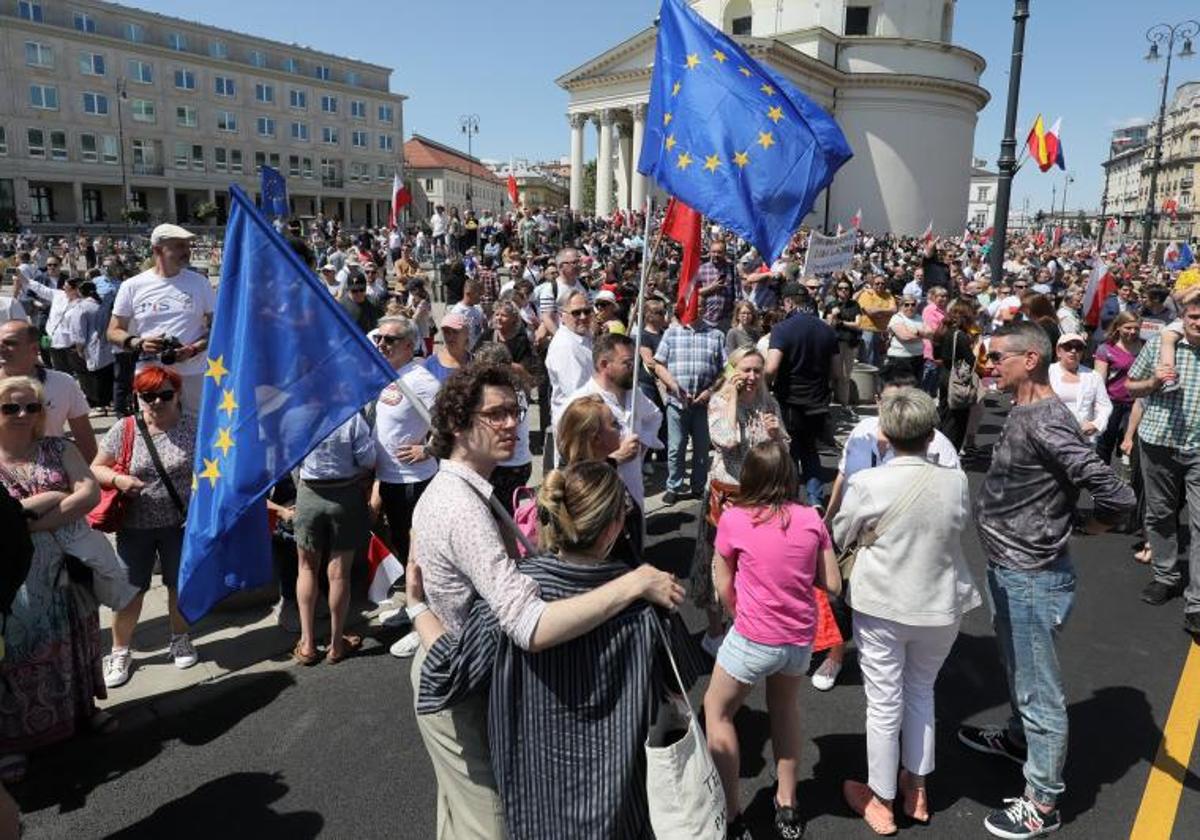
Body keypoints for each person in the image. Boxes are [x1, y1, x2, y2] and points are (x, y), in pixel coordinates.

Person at [406, 363, 684, 839]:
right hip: (455, 678)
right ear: (457, 425)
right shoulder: (460, 505)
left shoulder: (472, 489)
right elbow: (530, 627)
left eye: (514, 410)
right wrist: (634, 583)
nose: (512, 423)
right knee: (489, 823)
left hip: (463, 666)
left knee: (462, 816)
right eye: (495, 414)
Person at [960, 322, 1135, 838]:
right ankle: (1018, 739)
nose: (990, 365)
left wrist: (1090, 523)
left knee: (1039, 690)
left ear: (1030, 359)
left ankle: (1043, 800)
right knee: (1018, 670)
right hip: (1010, 567)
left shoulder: (1046, 421)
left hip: (1032, 576)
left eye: (998, 357)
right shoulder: (1023, 407)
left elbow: (1117, 494)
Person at [833, 387, 981, 835]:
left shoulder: (867, 483)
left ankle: (881, 799)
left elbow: (841, 535)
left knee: (883, 702)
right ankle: (915, 787)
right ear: (930, 432)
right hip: (940, 604)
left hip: (883, 603)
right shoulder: (955, 481)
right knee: (921, 692)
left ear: (884, 435)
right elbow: (960, 525)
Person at [704, 440, 840, 840]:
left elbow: (722, 583)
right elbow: (831, 584)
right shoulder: (811, 520)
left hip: (752, 636)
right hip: (798, 640)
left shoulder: (734, 520)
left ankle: (732, 815)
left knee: (717, 709)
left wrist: (735, 612)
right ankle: (787, 803)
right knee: (784, 710)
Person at [0, 375, 107, 783]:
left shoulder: (58, 447)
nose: (23, 414)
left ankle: (82, 712)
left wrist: (29, 522)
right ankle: (14, 741)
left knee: (75, 638)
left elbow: (89, 493)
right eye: (11, 407)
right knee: (18, 654)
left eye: (33, 407)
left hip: (67, 563)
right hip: (13, 574)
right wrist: (42, 508)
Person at [91, 366, 199, 688]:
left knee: (178, 585)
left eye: (165, 394)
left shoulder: (194, 428)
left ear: (177, 395)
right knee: (130, 590)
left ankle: (180, 638)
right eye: (147, 395)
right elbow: (96, 468)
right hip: (134, 527)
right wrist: (119, 479)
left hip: (180, 525)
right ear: (137, 397)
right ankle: (120, 650)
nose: (156, 402)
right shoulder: (124, 429)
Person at [692, 346, 789, 655]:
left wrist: (775, 436)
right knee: (717, 564)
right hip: (727, 496)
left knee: (751, 565)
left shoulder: (768, 402)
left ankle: (741, 623)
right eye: (745, 370)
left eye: (757, 371)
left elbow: (785, 450)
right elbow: (727, 440)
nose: (751, 377)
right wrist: (733, 398)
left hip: (758, 496)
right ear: (731, 371)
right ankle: (715, 630)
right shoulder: (719, 401)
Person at [1125, 293, 1199, 632]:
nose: (1198, 323)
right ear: (1183, 318)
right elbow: (1130, 387)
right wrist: (1153, 383)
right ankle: (1166, 576)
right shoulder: (1159, 346)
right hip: (1158, 443)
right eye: (1194, 317)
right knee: (1159, 513)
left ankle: (1196, 601)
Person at [290, 406, 375, 666]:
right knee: (339, 574)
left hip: (309, 494)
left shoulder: (293, 416)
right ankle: (336, 645)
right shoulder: (349, 416)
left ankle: (307, 645)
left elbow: (288, 460)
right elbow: (368, 459)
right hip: (345, 494)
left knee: (306, 569)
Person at [372, 316, 440, 625]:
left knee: (420, 552)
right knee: (403, 546)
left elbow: (451, 425)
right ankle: (417, 606)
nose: (382, 344)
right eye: (380, 339)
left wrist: (426, 449)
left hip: (414, 482)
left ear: (409, 346)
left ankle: (430, 614)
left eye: (390, 340)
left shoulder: (422, 381)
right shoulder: (388, 374)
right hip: (389, 480)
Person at [107, 224, 214, 412]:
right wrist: (138, 343)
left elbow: (219, 329)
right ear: (157, 250)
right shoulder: (132, 286)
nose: (187, 251)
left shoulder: (200, 283)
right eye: (179, 246)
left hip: (192, 373)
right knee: (154, 430)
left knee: (195, 431)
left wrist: (193, 349)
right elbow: (113, 331)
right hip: (151, 373)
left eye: (188, 246)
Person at [557, 332, 661, 510]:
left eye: (635, 362)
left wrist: (642, 444)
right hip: (597, 503)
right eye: (627, 363)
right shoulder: (577, 405)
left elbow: (654, 416)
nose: (635, 369)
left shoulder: (634, 393)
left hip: (633, 494)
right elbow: (569, 467)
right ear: (604, 365)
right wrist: (616, 458)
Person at [766, 283, 838, 508]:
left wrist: (763, 390)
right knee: (809, 449)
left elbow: (771, 368)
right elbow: (837, 373)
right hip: (817, 401)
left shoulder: (782, 329)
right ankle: (815, 499)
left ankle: (789, 499)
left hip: (790, 401)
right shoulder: (827, 329)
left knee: (788, 451)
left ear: (788, 302)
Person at [651, 307, 727, 506]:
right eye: (693, 304)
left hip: (704, 405)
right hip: (677, 403)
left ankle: (698, 486)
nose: (696, 309)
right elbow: (658, 365)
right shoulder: (671, 333)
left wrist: (709, 391)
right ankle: (673, 486)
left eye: (700, 305)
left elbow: (725, 370)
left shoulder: (716, 335)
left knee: (702, 450)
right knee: (676, 448)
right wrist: (674, 386)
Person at [0, 320, 97, 461]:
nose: (1, 347)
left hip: (53, 473)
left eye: (10, 343)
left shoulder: (63, 383)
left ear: (34, 349)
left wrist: (90, 475)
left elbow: (84, 437)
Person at [544, 291, 595, 463]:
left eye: (587, 311)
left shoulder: (584, 337)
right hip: (577, 428)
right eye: (576, 312)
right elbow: (577, 396)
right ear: (562, 316)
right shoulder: (565, 346)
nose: (583, 316)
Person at [1092, 311, 1142, 465]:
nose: (1132, 332)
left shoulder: (1145, 346)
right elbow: (1099, 380)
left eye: (1136, 328)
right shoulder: (1106, 348)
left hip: (1136, 403)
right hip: (1112, 402)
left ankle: (1127, 477)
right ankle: (1102, 477)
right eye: (1128, 328)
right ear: (1118, 327)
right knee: (1105, 442)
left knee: (1130, 444)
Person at [1048, 333, 1111, 445]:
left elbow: (1105, 405)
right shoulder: (1047, 373)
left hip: (1082, 439)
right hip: (1051, 436)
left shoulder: (1093, 376)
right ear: (1058, 351)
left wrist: (1096, 424)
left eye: (1078, 347)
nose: (1073, 351)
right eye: (1068, 347)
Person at [934, 300, 979, 452]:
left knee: (944, 415)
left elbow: (936, 355)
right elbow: (971, 361)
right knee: (957, 421)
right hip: (957, 378)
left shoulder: (942, 331)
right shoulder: (960, 336)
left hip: (944, 375)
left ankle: (939, 450)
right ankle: (950, 452)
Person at [826, 278, 863, 408]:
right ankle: (829, 402)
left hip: (849, 343)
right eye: (841, 288)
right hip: (834, 342)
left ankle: (844, 404)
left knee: (846, 375)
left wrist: (841, 323)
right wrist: (834, 316)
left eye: (846, 288)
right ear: (836, 291)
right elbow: (828, 325)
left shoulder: (855, 305)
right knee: (832, 373)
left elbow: (858, 324)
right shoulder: (831, 305)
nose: (843, 291)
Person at [697, 238, 739, 330]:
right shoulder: (702, 269)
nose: (716, 255)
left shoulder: (731, 269)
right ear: (710, 252)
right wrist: (712, 287)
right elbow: (695, 293)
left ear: (724, 253)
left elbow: (737, 293)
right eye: (714, 252)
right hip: (706, 318)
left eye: (719, 252)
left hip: (726, 318)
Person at [856, 274, 897, 367]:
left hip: (882, 332)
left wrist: (878, 310)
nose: (880, 285)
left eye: (882, 283)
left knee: (879, 360)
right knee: (867, 359)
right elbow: (870, 312)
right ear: (872, 284)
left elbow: (894, 310)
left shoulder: (888, 295)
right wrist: (886, 311)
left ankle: (877, 380)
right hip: (868, 330)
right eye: (877, 283)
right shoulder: (866, 294)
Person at [424, 312, 473, 384]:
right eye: (446, 332)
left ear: (467, 333)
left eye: (455, 332)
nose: (450, 336)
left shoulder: (475, 363)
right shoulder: (431, 364)